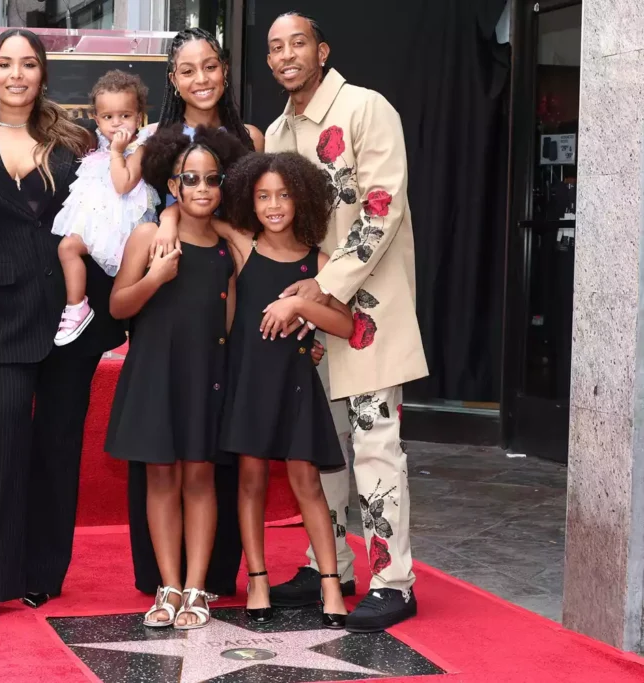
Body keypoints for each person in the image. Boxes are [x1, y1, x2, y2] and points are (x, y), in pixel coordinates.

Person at [0, 28, 124, 626]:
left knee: (58, 442)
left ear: (43, 74)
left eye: (27, 64)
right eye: (4, 64)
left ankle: (43, 574)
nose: (15, 74)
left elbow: (113, 206)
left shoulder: (75, 139)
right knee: (1, 437)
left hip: (71, 311)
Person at [262, 12, 429, 632]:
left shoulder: (365, 108)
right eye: (275, 47)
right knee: (321, 445)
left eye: (297, 43)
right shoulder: (278, 130)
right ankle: (328, 565)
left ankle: (394, 581)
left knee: (376, 444)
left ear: (322, 49)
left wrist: (322, 285)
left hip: (366, 314)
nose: (286, 55)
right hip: (309, 315)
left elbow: (382, 207)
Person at [125, 27, 268, 602]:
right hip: (170, 293)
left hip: (228, 283)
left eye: (210, 66)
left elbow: (258, 216)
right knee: (163, 457)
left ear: (225, 70)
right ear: (172, 79)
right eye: (188, 70)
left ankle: (207, 578)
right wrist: (164, 223)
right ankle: (163, 580)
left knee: (214, 454)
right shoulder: (154, 138)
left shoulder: (250, 136)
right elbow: (133, 208)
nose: (201, 78)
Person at [107, 125, 246, 630]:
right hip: (155, 373)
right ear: (174, 186)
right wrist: (154, 277)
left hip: (207, 375)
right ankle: (167, 585)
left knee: (201, 479)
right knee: (161, 480)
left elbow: (229, 321)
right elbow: (118, 305)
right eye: (191, 179)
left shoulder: (226, 250)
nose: (203, 188)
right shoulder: (149, 236)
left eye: (212, 179)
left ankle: (196, 588)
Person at [219, 151, 353, 628]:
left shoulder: (320, 262)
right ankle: (257, 578)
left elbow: (343, 323)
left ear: (303, 199)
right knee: (250, 480)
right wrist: (170, 222)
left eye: (283, 195)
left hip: (295, 382)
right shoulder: (241, 243)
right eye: (262, 196)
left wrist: (298, 304)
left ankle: (330, 585)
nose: (273, 205)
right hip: (247, 380)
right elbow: (190, 211)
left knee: (307, 484)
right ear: (249, 202)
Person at [51, 70, 159, 345]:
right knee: (66, 247)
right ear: (96, 119)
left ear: (139, 116)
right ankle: (77, 306)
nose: (116, 124)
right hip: (98, 223)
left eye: (125, 115)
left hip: (123, 231)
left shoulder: (139, 149)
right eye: (108, 117)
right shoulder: (96, 143)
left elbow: (123, 184)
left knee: (124, 294)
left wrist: (117, 152)